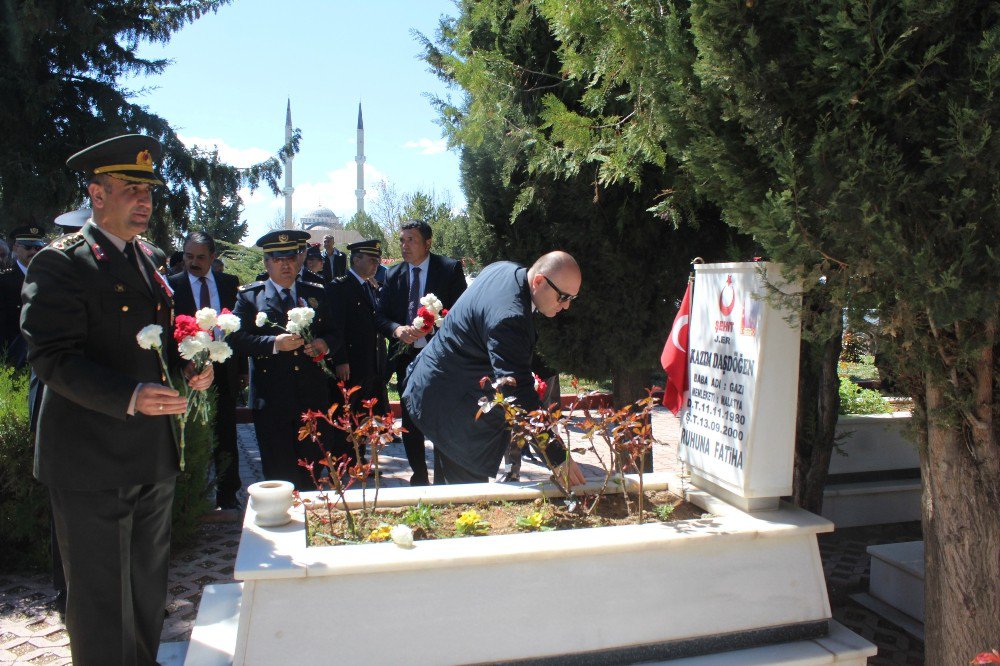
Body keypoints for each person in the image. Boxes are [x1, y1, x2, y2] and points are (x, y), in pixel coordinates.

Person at [20, 134, 213, 665]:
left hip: (150, 453)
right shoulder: (61, 265)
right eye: (130, 188)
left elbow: (158, 342)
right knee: (101, 597)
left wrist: (189, 367)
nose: (144, 200)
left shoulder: (148, 261)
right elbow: (51, 358)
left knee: (147, 590)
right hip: (90, 459)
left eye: (148, 189)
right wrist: (129, 395)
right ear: (96, 194)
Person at [402, 251, 585, 486]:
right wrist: (557, 458)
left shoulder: (506, 269)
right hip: (455, 410)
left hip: (438, 387)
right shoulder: (510, 318)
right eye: (563, 297)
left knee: (446, 494)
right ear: (539, 281)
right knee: (466, 502)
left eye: (573, 298)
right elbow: (518, 396)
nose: (567, 305)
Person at [228, 230, 344, 489]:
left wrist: (324, 344)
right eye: (278, 259)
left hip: (311, 397)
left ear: (299, 259)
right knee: (279, 474)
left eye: (291, 258)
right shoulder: (250, 297)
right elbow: (234, 340)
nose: (286, 265)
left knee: (314, 472)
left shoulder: (316, 293)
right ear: (266, 263)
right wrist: (272, 344)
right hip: (272, 401)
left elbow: (336, 332)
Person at [376, 219, 467, 485]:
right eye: (402, 240)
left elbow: (461, 313)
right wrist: (396, 330)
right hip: (406, 358)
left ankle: (442, 476)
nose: (405, 246)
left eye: (411, 240)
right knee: (411, 417)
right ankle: (418, 475)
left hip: (440, 359)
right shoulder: (392, 275)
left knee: (440, 418)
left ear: (427, 243)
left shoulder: (448, 270)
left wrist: (437, 325)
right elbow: (380, 316)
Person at [168, 231, 243, 511]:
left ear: (213, 257)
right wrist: (183, 364)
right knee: (190, 434)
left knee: (225, 432)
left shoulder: (228, 283)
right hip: (187, 372)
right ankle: (191, 496)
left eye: (201, 257)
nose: (194, 262)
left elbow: (237, 325)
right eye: (189, 256)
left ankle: (228, 494)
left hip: (223, 370)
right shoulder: (172, 285)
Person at [328, 240, 390, 456]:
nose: (376, 264)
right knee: (348, 413)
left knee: (366, 414)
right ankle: (344, 459)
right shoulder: (340, 286)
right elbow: (336, 327)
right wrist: (340, 359)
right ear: (356, 259)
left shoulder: (370, 286)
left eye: (378, 260)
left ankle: (361, 462)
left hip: (370, 363)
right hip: (351, 363)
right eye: (371, 260)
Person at [0, 225, 47, 367]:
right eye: (28, 247)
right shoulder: (4, 280)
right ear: (15, 248)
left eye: (37, 248)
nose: (33, 251)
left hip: (41, 354)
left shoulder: (49, 279)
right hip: (12, 354)